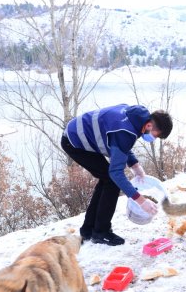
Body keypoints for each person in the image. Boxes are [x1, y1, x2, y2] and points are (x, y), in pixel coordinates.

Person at [61, 104, 173, 246]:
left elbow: (120, 144)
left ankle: (88, 229)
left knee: (106, 179)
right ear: (150, 125)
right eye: (156, 136)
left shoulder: (137, 116)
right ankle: (101, 232)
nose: (154, 139)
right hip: (75, 142)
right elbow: (116, 170)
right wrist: (141, 200)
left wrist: (134, 164)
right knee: (112, 181)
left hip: (75, 133)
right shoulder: (126, 131)